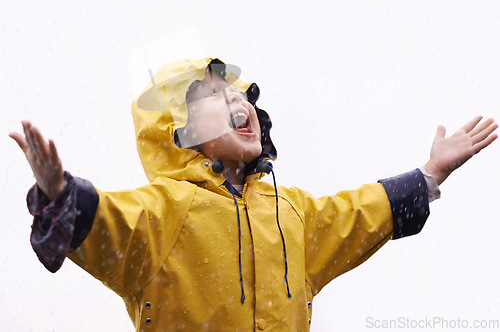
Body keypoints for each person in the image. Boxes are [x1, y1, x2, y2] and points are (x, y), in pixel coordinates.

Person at [9, 57, 498, 331]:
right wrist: (58, 193)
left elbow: (358, 212)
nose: (239, 101)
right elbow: (107, 220)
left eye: (240, 95)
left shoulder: (291, 213)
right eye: (215, 97)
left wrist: (431, 173)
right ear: (177, 130)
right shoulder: (165, 212)